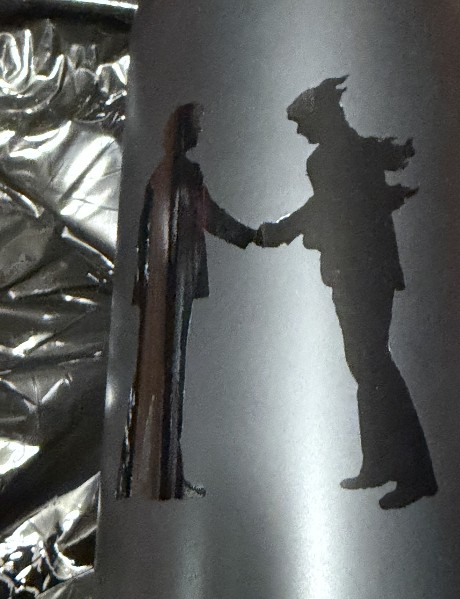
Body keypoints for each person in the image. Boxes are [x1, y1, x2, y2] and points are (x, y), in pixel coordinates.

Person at [256, 77, 437, 509]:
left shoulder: (328, 159)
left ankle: (415, 473)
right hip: (363, 273)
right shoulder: (355, 151)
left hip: (360, 274)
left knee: (373, 365)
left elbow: (325, 209)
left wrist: (278, 232)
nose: (300, 131)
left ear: (320, 118)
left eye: (302, 123)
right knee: (366, 366)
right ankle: (379, 463)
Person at [119, 103, 255, 500]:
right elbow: (208, 216)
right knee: (170, 376)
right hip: (174, 284)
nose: (200, 130)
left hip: (158, 286)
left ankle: (155, 472)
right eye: (197, 124)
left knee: (157, 377)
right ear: (184, 129)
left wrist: (141, 285)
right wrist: (251, 236)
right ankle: (166, 476)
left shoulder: (159, 174)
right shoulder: (186, 173)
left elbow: (143, 236)